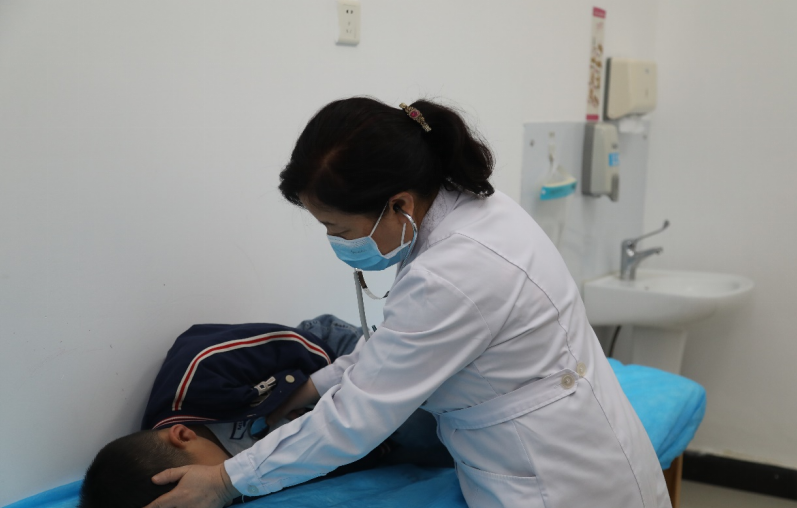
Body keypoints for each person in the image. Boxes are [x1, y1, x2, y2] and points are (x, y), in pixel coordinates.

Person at [144, 97, 672, 508]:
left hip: (555, 481)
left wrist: (226, 479)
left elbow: (355, 420)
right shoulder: (471, 210)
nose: (336, 242)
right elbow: (394, 349)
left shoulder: (454, 273)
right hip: (569, 441)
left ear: (397, 204)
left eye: (338, 229)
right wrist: (308, 388)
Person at [78, 321, 398, 508]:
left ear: (183, 435)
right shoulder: (213, 488)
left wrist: (319, 388)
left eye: (205, 485)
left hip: (325, 352)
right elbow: (303, 464)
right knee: (411, 440)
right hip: (332, 418)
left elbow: (291, 344)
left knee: (409, 399)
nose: (214, 494)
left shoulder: (197, 375)